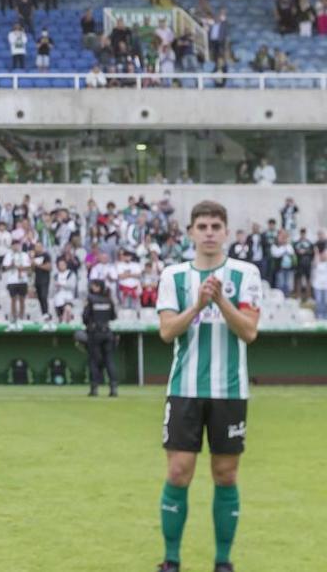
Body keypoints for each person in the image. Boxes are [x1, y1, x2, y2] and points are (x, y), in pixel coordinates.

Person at [154, 201, 261, 572]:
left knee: (225, 474)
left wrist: (221, 300)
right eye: (202, 226)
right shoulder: (174, 276)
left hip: (230, 391)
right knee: (178, 471)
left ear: (226, 232)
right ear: (191, 233)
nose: (210, 232)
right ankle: (171, 559)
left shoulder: (246, 274)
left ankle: (222, 561)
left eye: (216, 225)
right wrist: (199, 304)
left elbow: (249, 331)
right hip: (184, 388)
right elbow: (167, 331)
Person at [81, 279, 118, 397]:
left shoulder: (91, 299)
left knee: (94, 361)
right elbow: (113, 316)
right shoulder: (108, 300)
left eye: (94, 286)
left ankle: (94, 388)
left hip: (95, 333)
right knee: (109, 360)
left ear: (98, 287)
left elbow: (85, 317)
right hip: (107, 332)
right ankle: (113, 388)